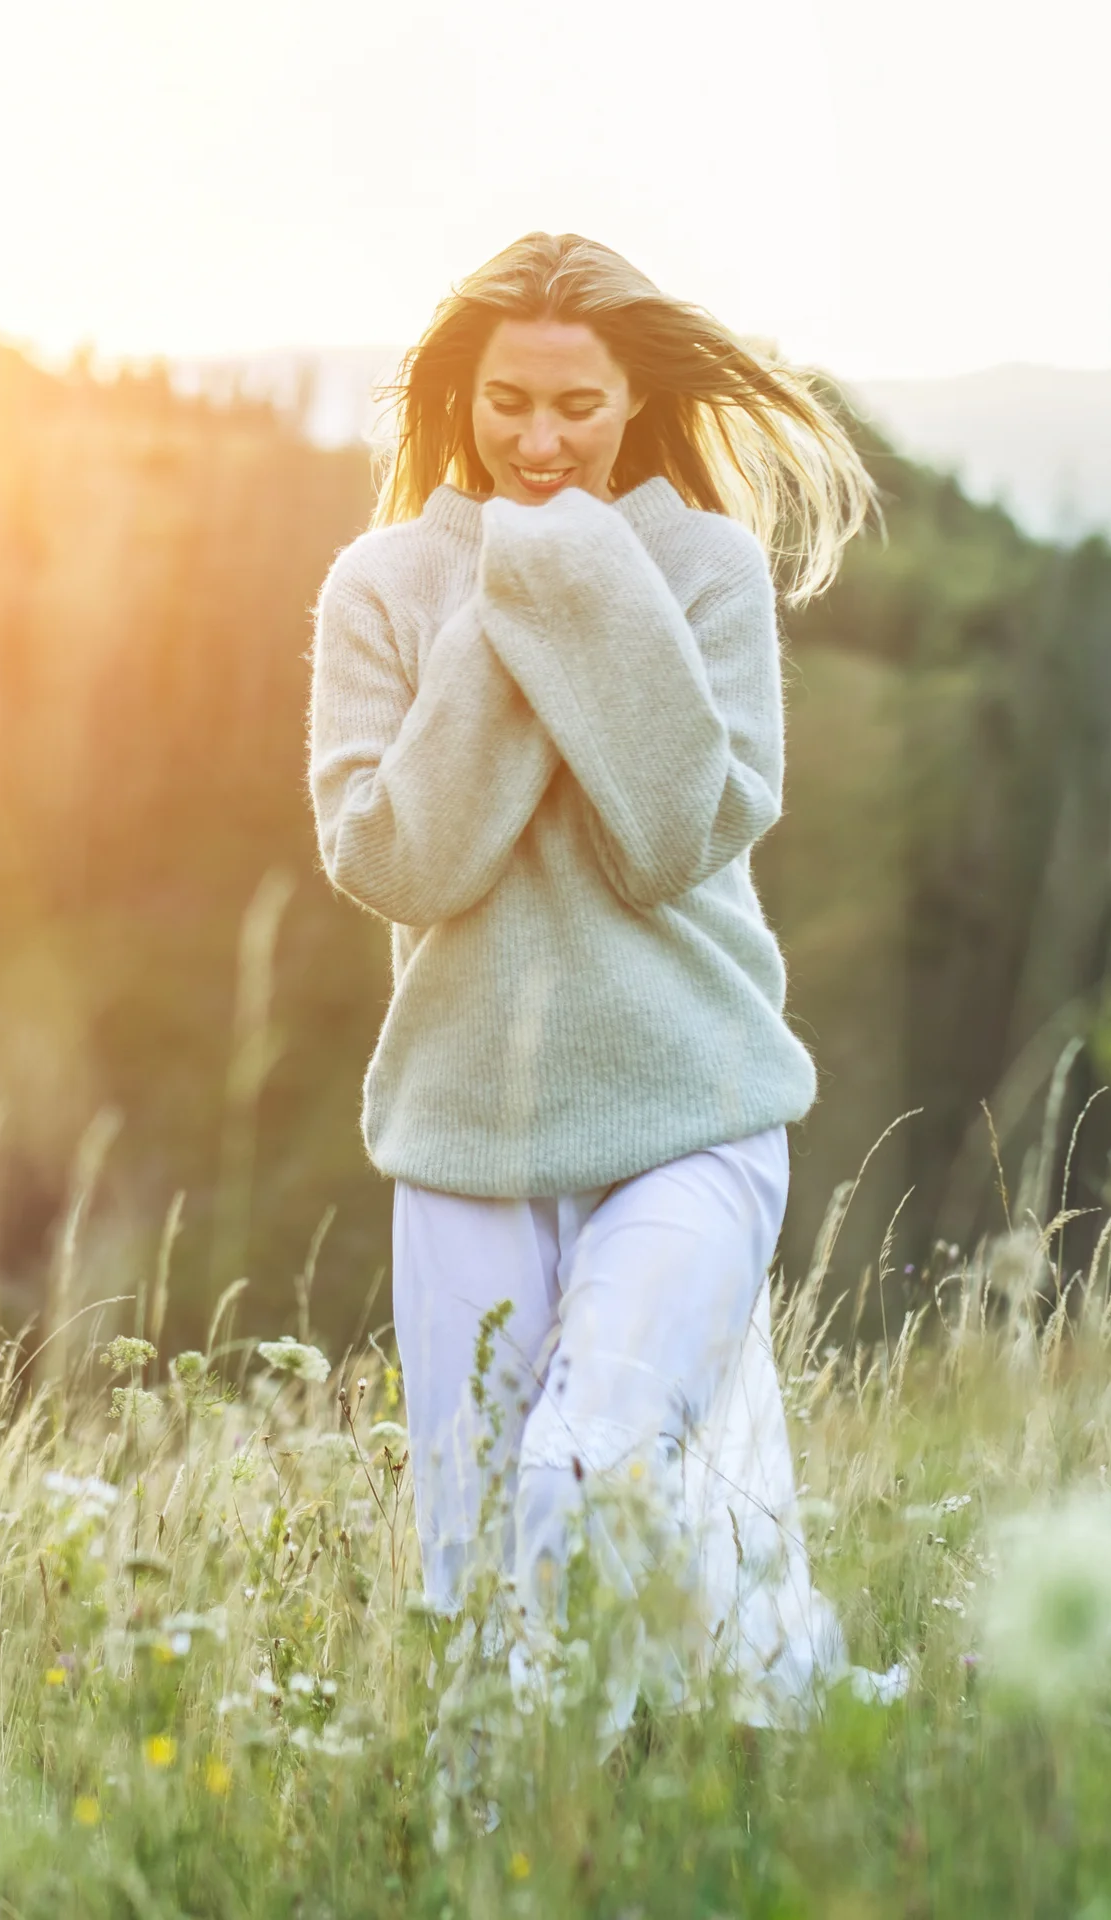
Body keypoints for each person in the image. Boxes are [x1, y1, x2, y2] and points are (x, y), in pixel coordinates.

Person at [305, 229, 888, 1737]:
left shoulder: (704, 568)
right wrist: (515, 590)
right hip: (462, 1141)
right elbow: (394, 857)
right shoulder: (380, 585)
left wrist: (569, 576)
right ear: (459, 396)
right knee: (478, 1563)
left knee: (587, 1468)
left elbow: (670, 836)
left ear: (634, 401)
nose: (543, 438)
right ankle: (528, 1843)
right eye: (509, 403)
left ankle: (740, 1724)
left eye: (578, 405)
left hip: (691, 1111)